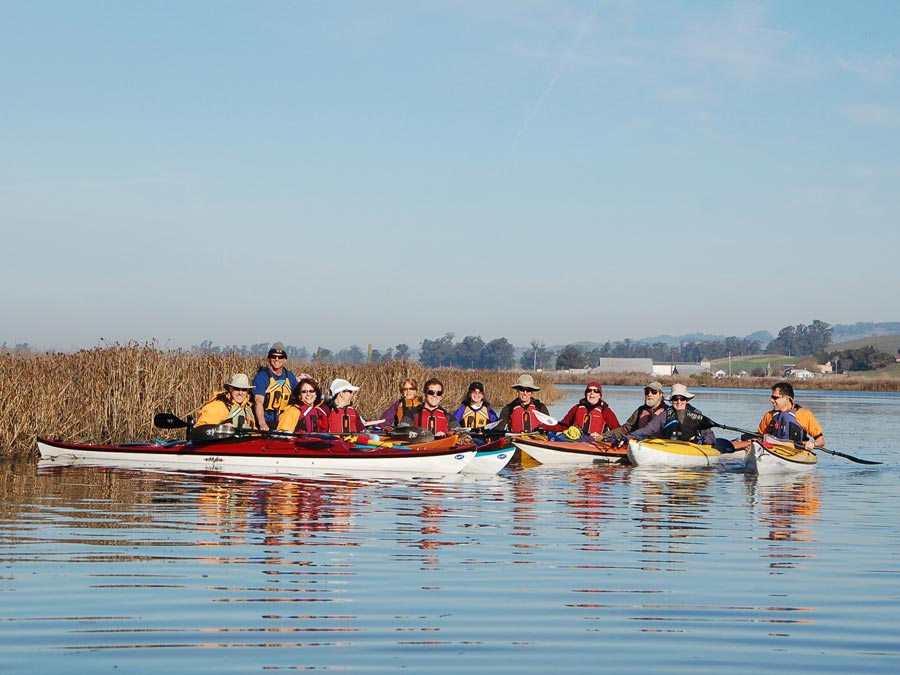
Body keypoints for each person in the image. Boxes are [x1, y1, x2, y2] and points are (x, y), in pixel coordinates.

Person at [628, 383, 716, 445]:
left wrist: (701, 441)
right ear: (671, 401)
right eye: (675, 399)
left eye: (682, 399)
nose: (679, 402)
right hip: (670, 446)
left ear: (686, 400)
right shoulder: (665, 415)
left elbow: (710, 437)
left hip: (692, 447)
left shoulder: (696, 414)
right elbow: (647, 430)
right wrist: (628, 438)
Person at [758, 381, 825, 451]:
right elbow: (759, 437)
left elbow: (821, 441)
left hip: (797, 452)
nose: (771, 400)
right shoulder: (769, 415)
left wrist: (813, 444)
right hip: (773, 451)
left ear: (787, 398)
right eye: (772, 397)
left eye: (775, 398)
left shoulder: (804, 414)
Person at [546, 381, 620, 439]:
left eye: (596, 391)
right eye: (589, 390)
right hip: (575, 439)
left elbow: (617, 431)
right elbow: (563, 426)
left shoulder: (606, 411)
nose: (592, 393)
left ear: (599, 395)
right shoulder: (577, 408)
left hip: (595, 442)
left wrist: (603, 436)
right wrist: (543, 426)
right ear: (586, 394)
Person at [253, 342, 298, 431]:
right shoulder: (262, 377)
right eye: (273, 356)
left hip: (283, 422)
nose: (277, 359)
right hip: (266, 422)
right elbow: (258, 401)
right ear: (269, 358)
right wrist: (262, 424)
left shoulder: (290, 377)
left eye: (280, 357)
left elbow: (298, 396)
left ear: (285, 359)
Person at [602, 381, 668, 442]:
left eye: (654, 392)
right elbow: (626, 429)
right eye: (647, 392)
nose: (649, 394)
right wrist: (604, 435)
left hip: (660, 446)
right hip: (640, 445)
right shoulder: (640, 410)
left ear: (660, 395)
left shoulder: (667, 411)